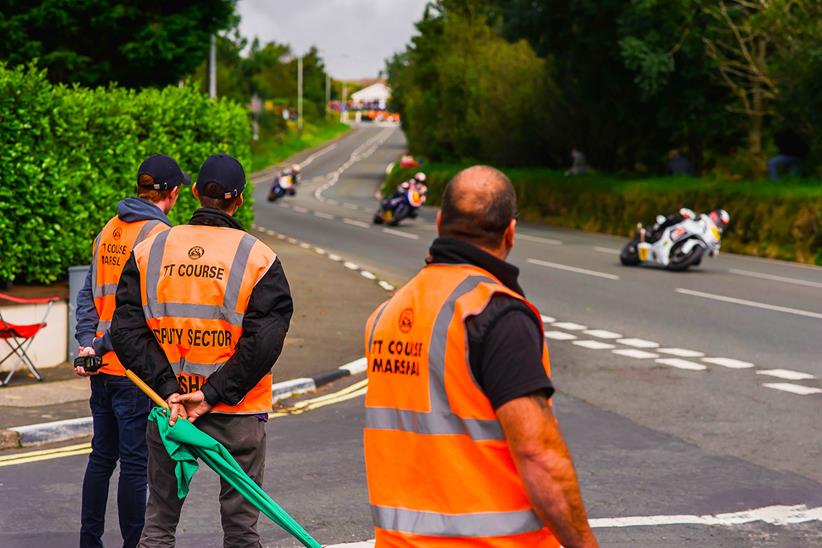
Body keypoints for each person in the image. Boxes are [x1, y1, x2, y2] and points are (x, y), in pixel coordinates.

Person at [363, 165, 598, 547]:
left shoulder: (387, 313)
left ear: (439, 222)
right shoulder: (496, 314)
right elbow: (537, 453)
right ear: (510, 232)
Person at [110, 154, 294, 547]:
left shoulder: (152, 249)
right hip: (238, 410)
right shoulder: (259, 258)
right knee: (241, 531)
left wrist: (169, 388)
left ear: (194, 193)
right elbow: (263, 342)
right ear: (239, 200)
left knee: (158, 525)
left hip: (170, 407)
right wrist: (211, 394)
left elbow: (125, 330)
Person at [74, 154, 187, 548]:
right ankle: (133, 544)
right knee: (136, 464)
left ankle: (90, 542)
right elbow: (142, 309)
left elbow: (89, 294)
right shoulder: (158, 236)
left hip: (100, 367)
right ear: (171, 193)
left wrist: (87, 343)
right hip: (133, 371)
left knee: (102, 458)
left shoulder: (109, 229)